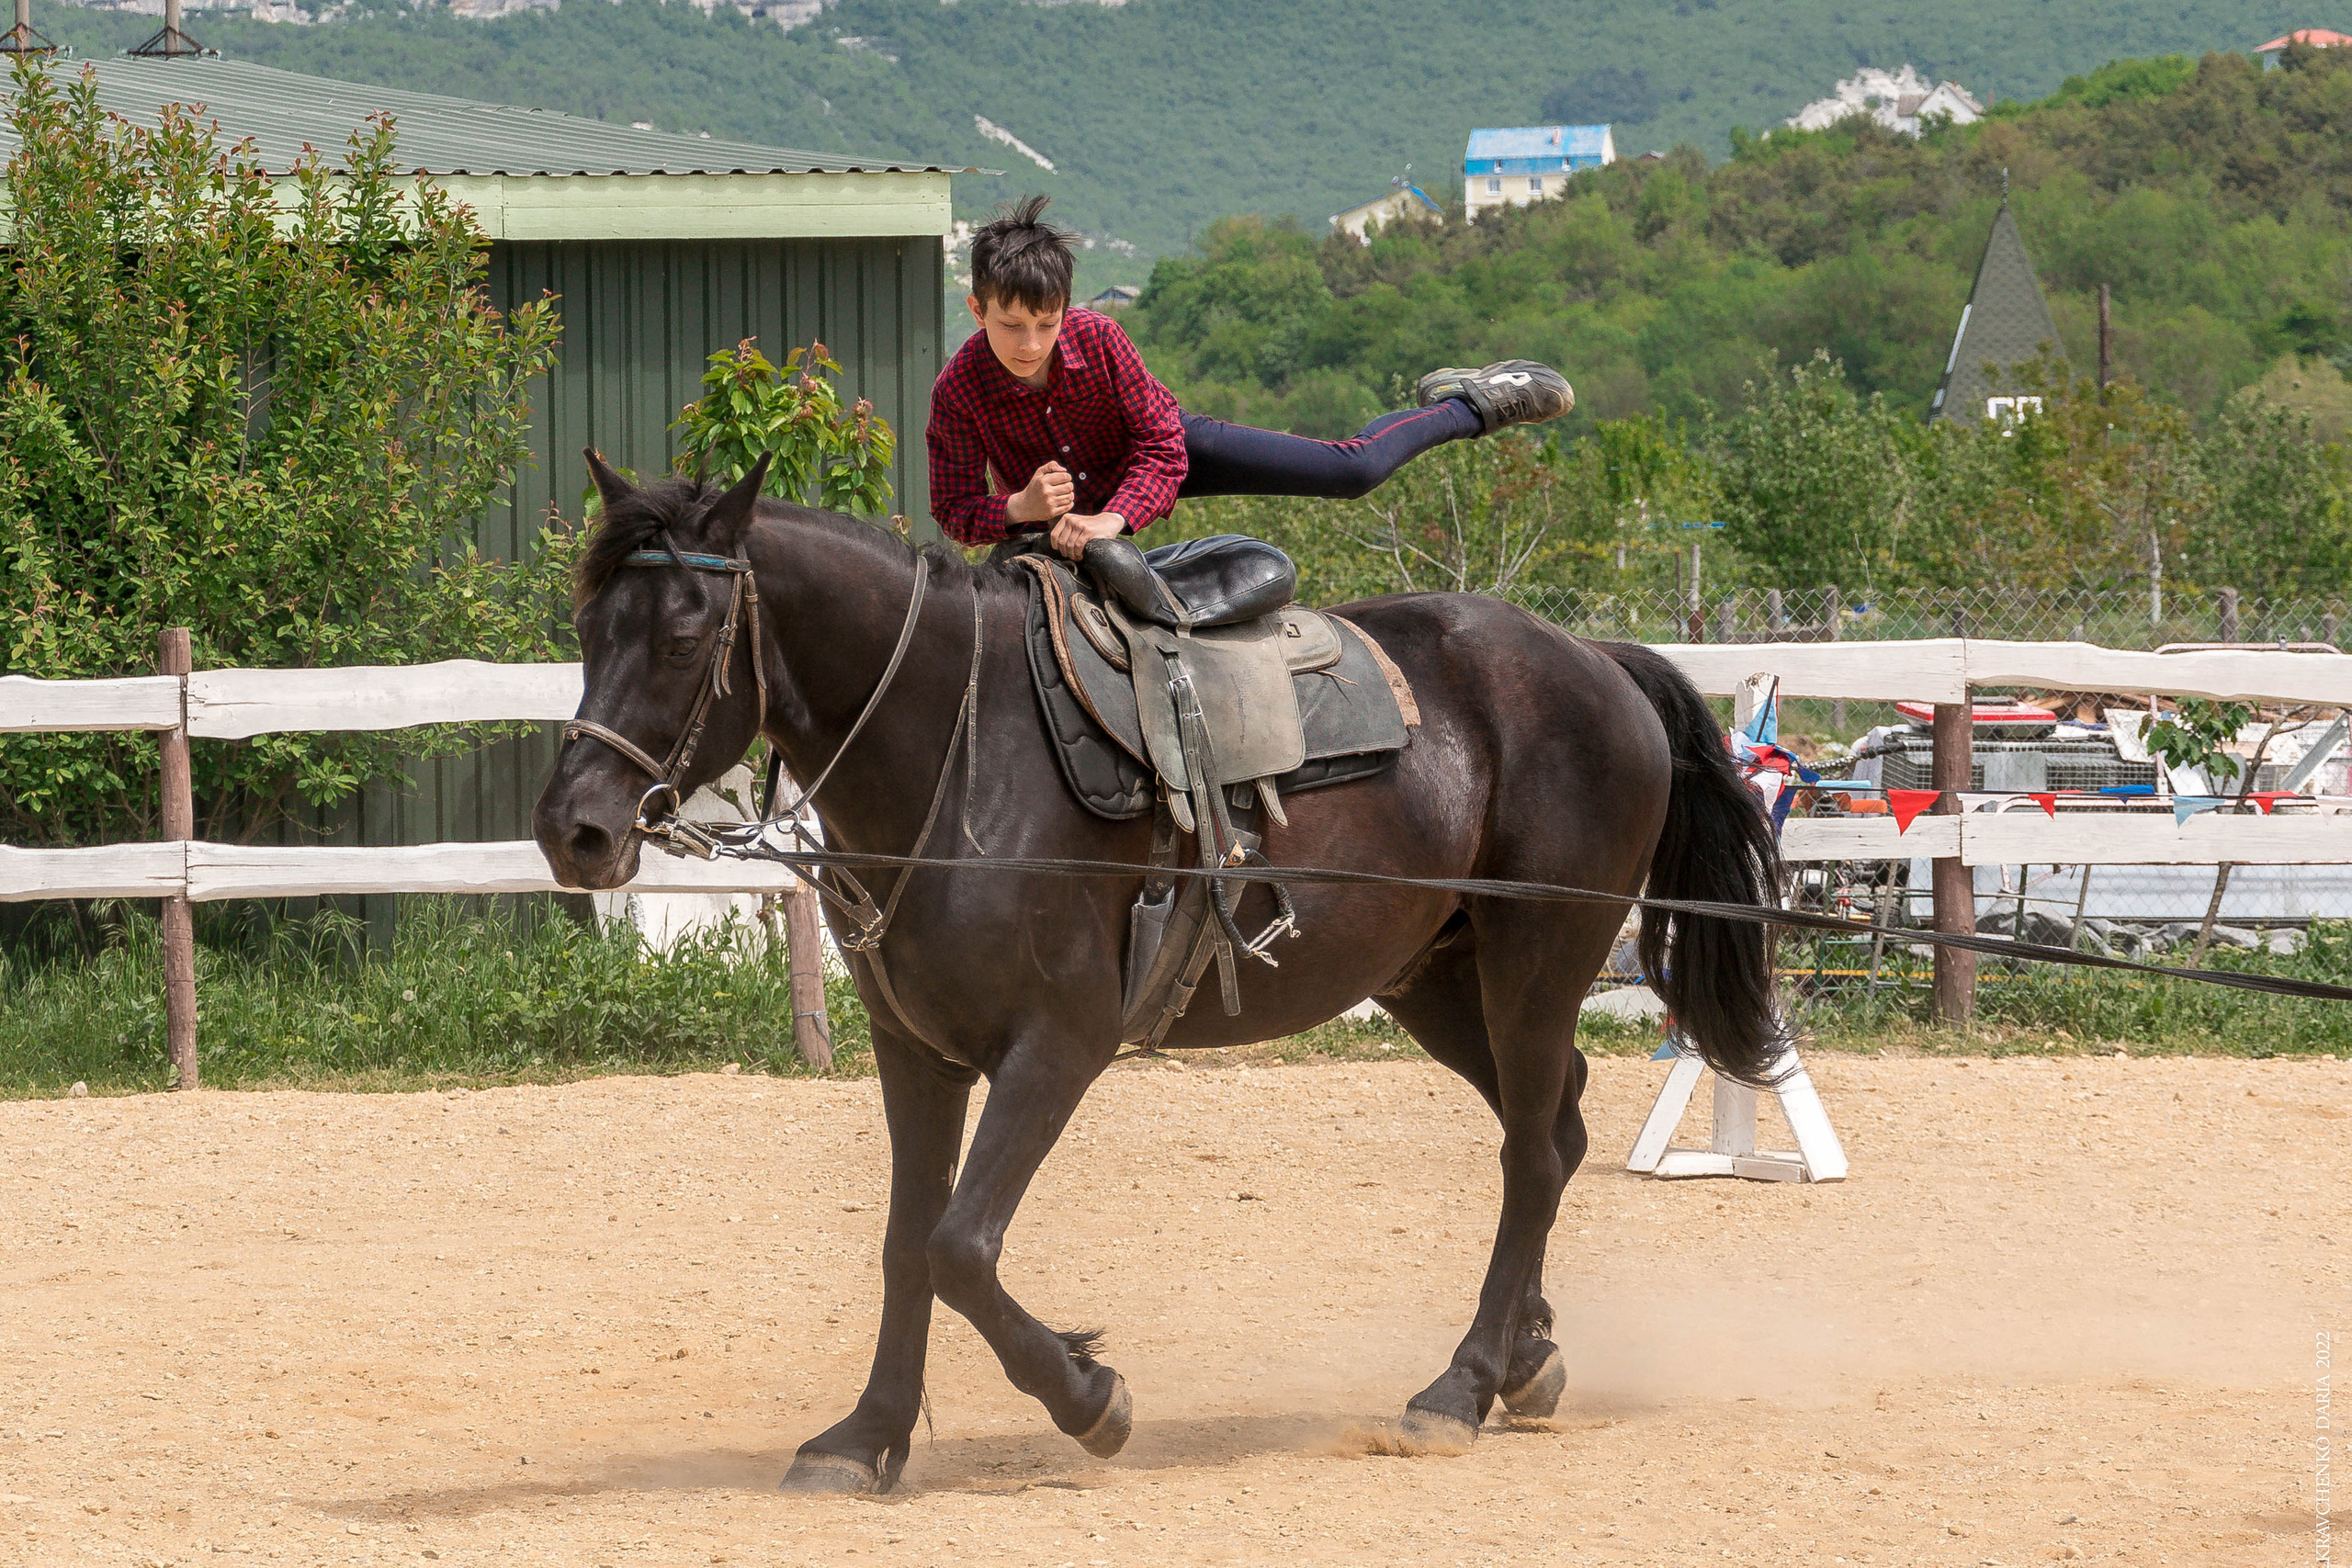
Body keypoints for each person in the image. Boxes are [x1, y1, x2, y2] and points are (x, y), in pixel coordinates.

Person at [927, 195, 1574, 558]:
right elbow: (952, 509)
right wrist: (1018, 508)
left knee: (1352, 473)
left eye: (1047, 322)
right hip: (1054, 521)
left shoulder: (1099, 337)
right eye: (1011, 325)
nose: (1031, 342)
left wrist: (1114, 518)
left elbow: (1160, 447)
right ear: (977, 309)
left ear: (1066, 308)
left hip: (1159, 456)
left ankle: (1477, 400)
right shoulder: (957, 390)